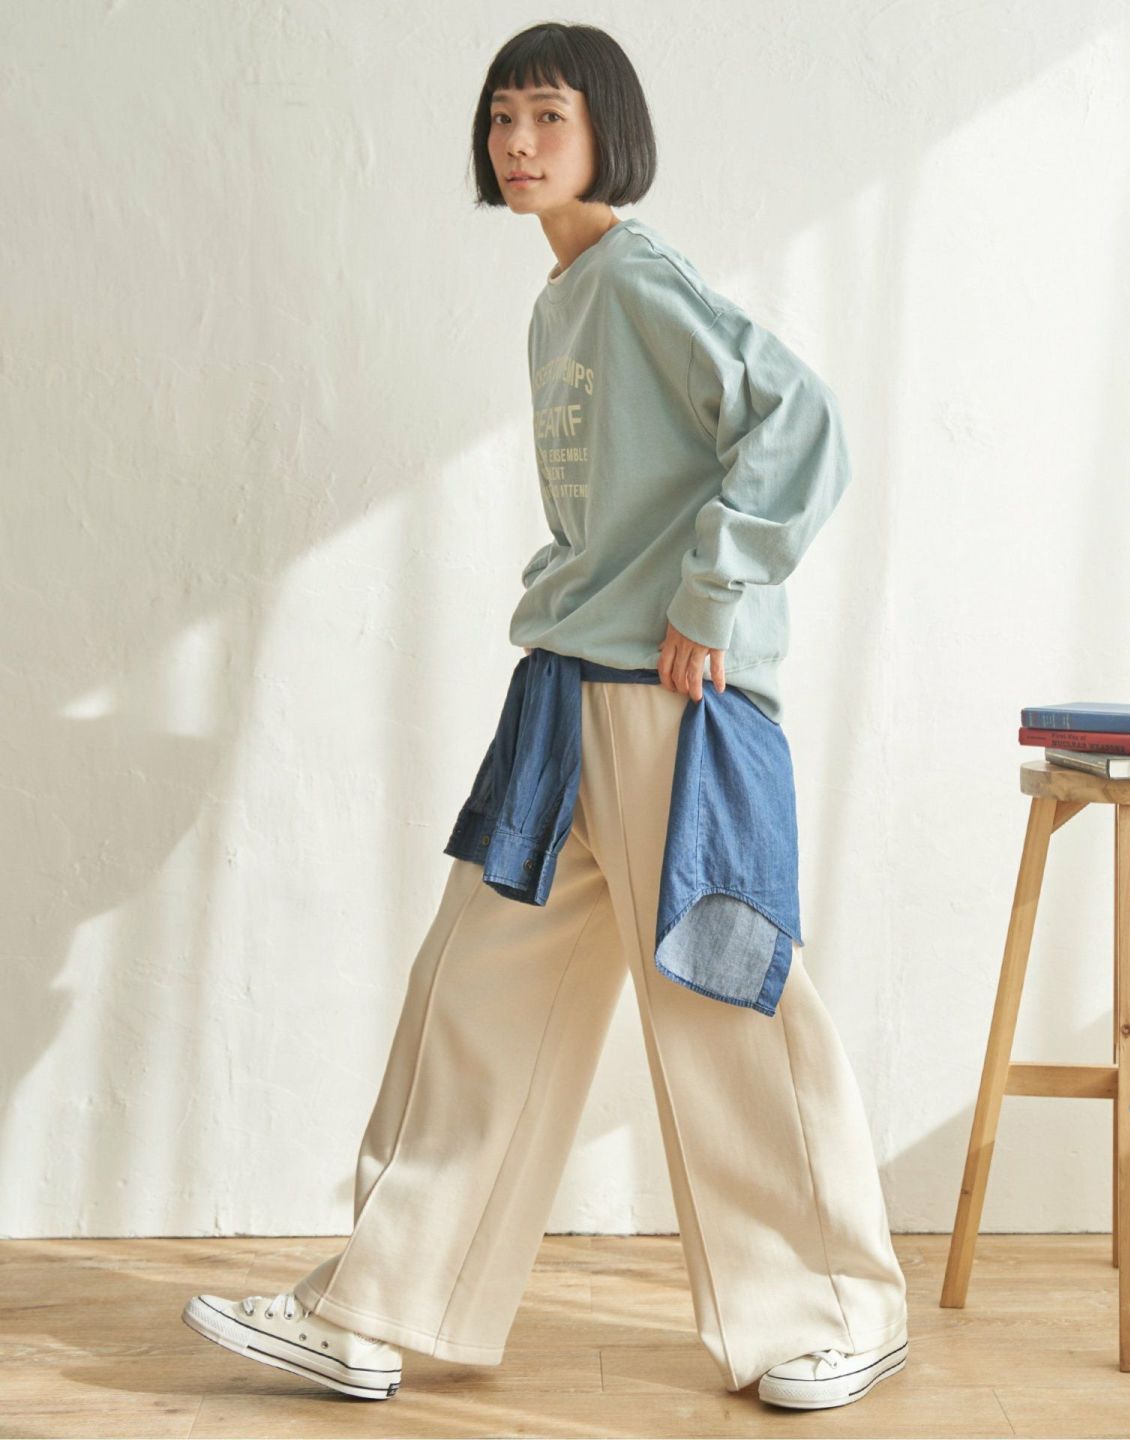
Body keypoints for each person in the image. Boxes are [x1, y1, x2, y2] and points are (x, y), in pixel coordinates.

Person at [182, 21, 909, 1412]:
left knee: (724, 1003)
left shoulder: (635, 275)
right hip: (568, 696)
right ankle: (375, 1308)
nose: (518, 143)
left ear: (604, 133)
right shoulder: (563, 298)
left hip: (672, 705)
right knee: (476, 997)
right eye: (502, 117)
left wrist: (711, 594)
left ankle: (835, 1311)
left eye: (548, 117)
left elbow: (799, 421)